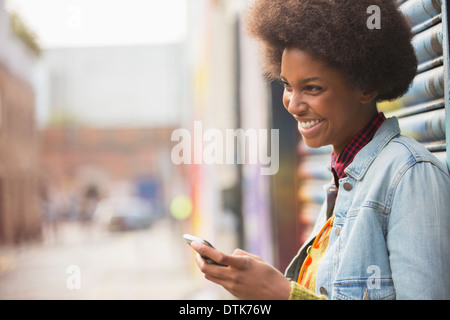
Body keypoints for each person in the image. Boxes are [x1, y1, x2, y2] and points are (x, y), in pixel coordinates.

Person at [191, 0, 450, 299]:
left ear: (366, 85)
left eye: (312, 88)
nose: (294, 105)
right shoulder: (343, 178)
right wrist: (274, 283)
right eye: (288, 85)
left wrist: (283, 294)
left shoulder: (411, 177)